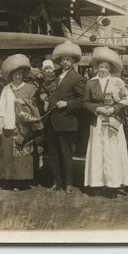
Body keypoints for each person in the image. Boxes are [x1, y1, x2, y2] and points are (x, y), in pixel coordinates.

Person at [82, 47, 128, 198]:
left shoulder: (117, 82)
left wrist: (114, 109)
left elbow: (126, 99)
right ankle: (96, 184)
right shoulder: (91, 83)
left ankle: (113, 184)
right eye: (100, 67)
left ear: (110, 68)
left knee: (113, 151)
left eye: (106, 67)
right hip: (97, 121)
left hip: (114, 121)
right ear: (96, 68)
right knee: (97, 151)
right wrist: (97, 109)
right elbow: (85, 102)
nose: (103, 69)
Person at [0, 54, 44, 191]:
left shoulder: (29, 88)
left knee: (22, 153)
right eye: (15, 74)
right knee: (6, 154)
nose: (17, 77)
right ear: (11, 75)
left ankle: (20, 181)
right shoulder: (6, 89)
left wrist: (24, 102)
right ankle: (7, 180)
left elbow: (36, 105)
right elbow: (2, 107)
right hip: (9, 123)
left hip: (24, 126)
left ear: (23, 74)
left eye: (19, 74)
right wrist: (0, 122)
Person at [47, 41, 85, 194]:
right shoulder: (54, 75)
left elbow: (81, 101)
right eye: (63, 59)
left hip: (67, 122)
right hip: (52, 121)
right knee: (53, 154)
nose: (65, 62)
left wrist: (67, 103)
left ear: (73, 61)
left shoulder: (77, 78)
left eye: (68, 59)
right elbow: (47, 89)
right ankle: (56, 181)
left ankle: (68, 183)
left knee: (66, 154)